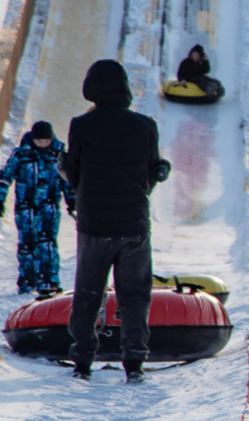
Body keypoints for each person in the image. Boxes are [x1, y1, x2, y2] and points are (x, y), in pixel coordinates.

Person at [62, 59, 169, 382]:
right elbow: (151, 176)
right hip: (133, 224)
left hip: (94, 224)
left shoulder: (81, 126)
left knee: (88, 293)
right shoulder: (145, 125)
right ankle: (134, 361)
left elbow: (75, 176)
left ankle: (83, 361)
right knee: (135, 295)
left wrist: (64, 167)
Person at [0, 119, 75, 295]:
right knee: (27, 244)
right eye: (40, 141)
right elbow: (5, 176)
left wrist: (72, 201)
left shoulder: (59, 154)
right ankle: (27, 280)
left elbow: (68, 181)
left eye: (46, 141)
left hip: (49, 207)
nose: (43, 145)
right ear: (33, 139)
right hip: (25, 208)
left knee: (47, 244)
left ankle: (49, 281)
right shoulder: (21, 155)